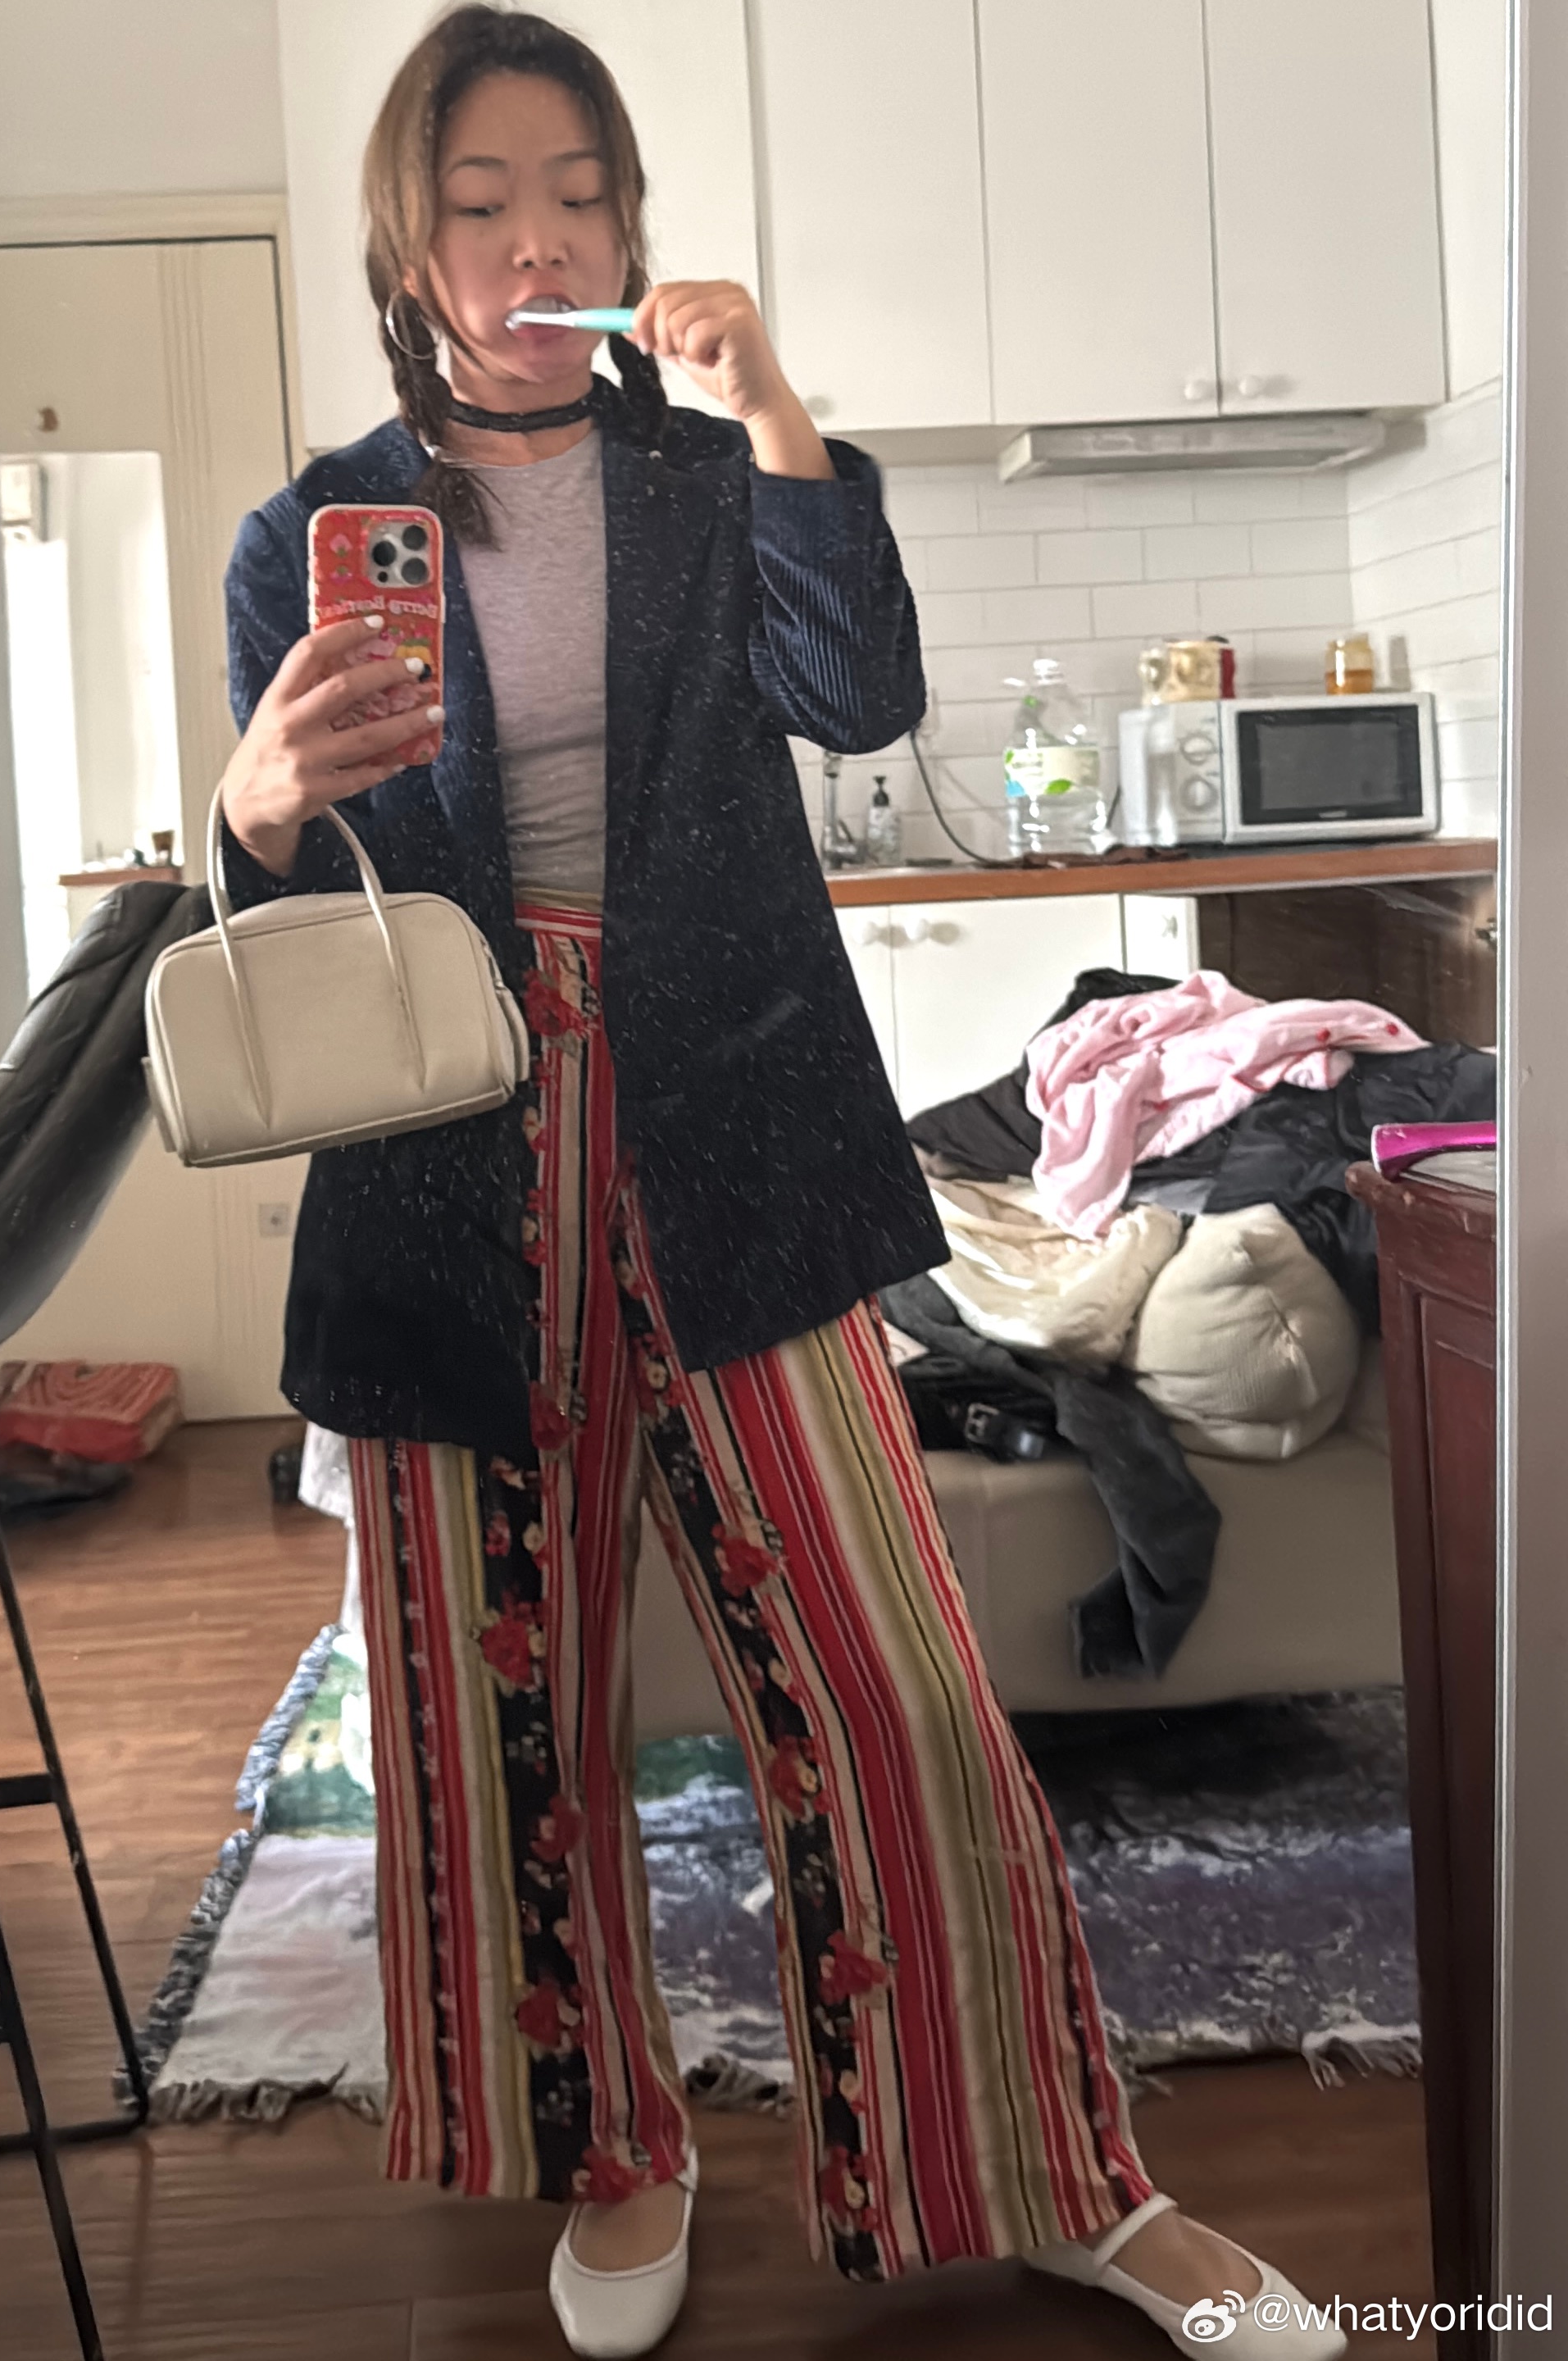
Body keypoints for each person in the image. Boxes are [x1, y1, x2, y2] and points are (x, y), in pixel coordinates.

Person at [215, 9, 1344, 2356]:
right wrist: (249, 811)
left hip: (737, 1115)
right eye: (480, 203)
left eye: (579, 195)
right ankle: (615, 2157)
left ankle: (1061, 2174)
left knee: (893, 1678)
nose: (536, 243)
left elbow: (864, 696)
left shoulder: (712, 469)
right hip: (445, 1168)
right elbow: (296, 925)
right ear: (407, 245)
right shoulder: (305, 533)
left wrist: (780, 415)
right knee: (500, 1713)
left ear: (629, 224)